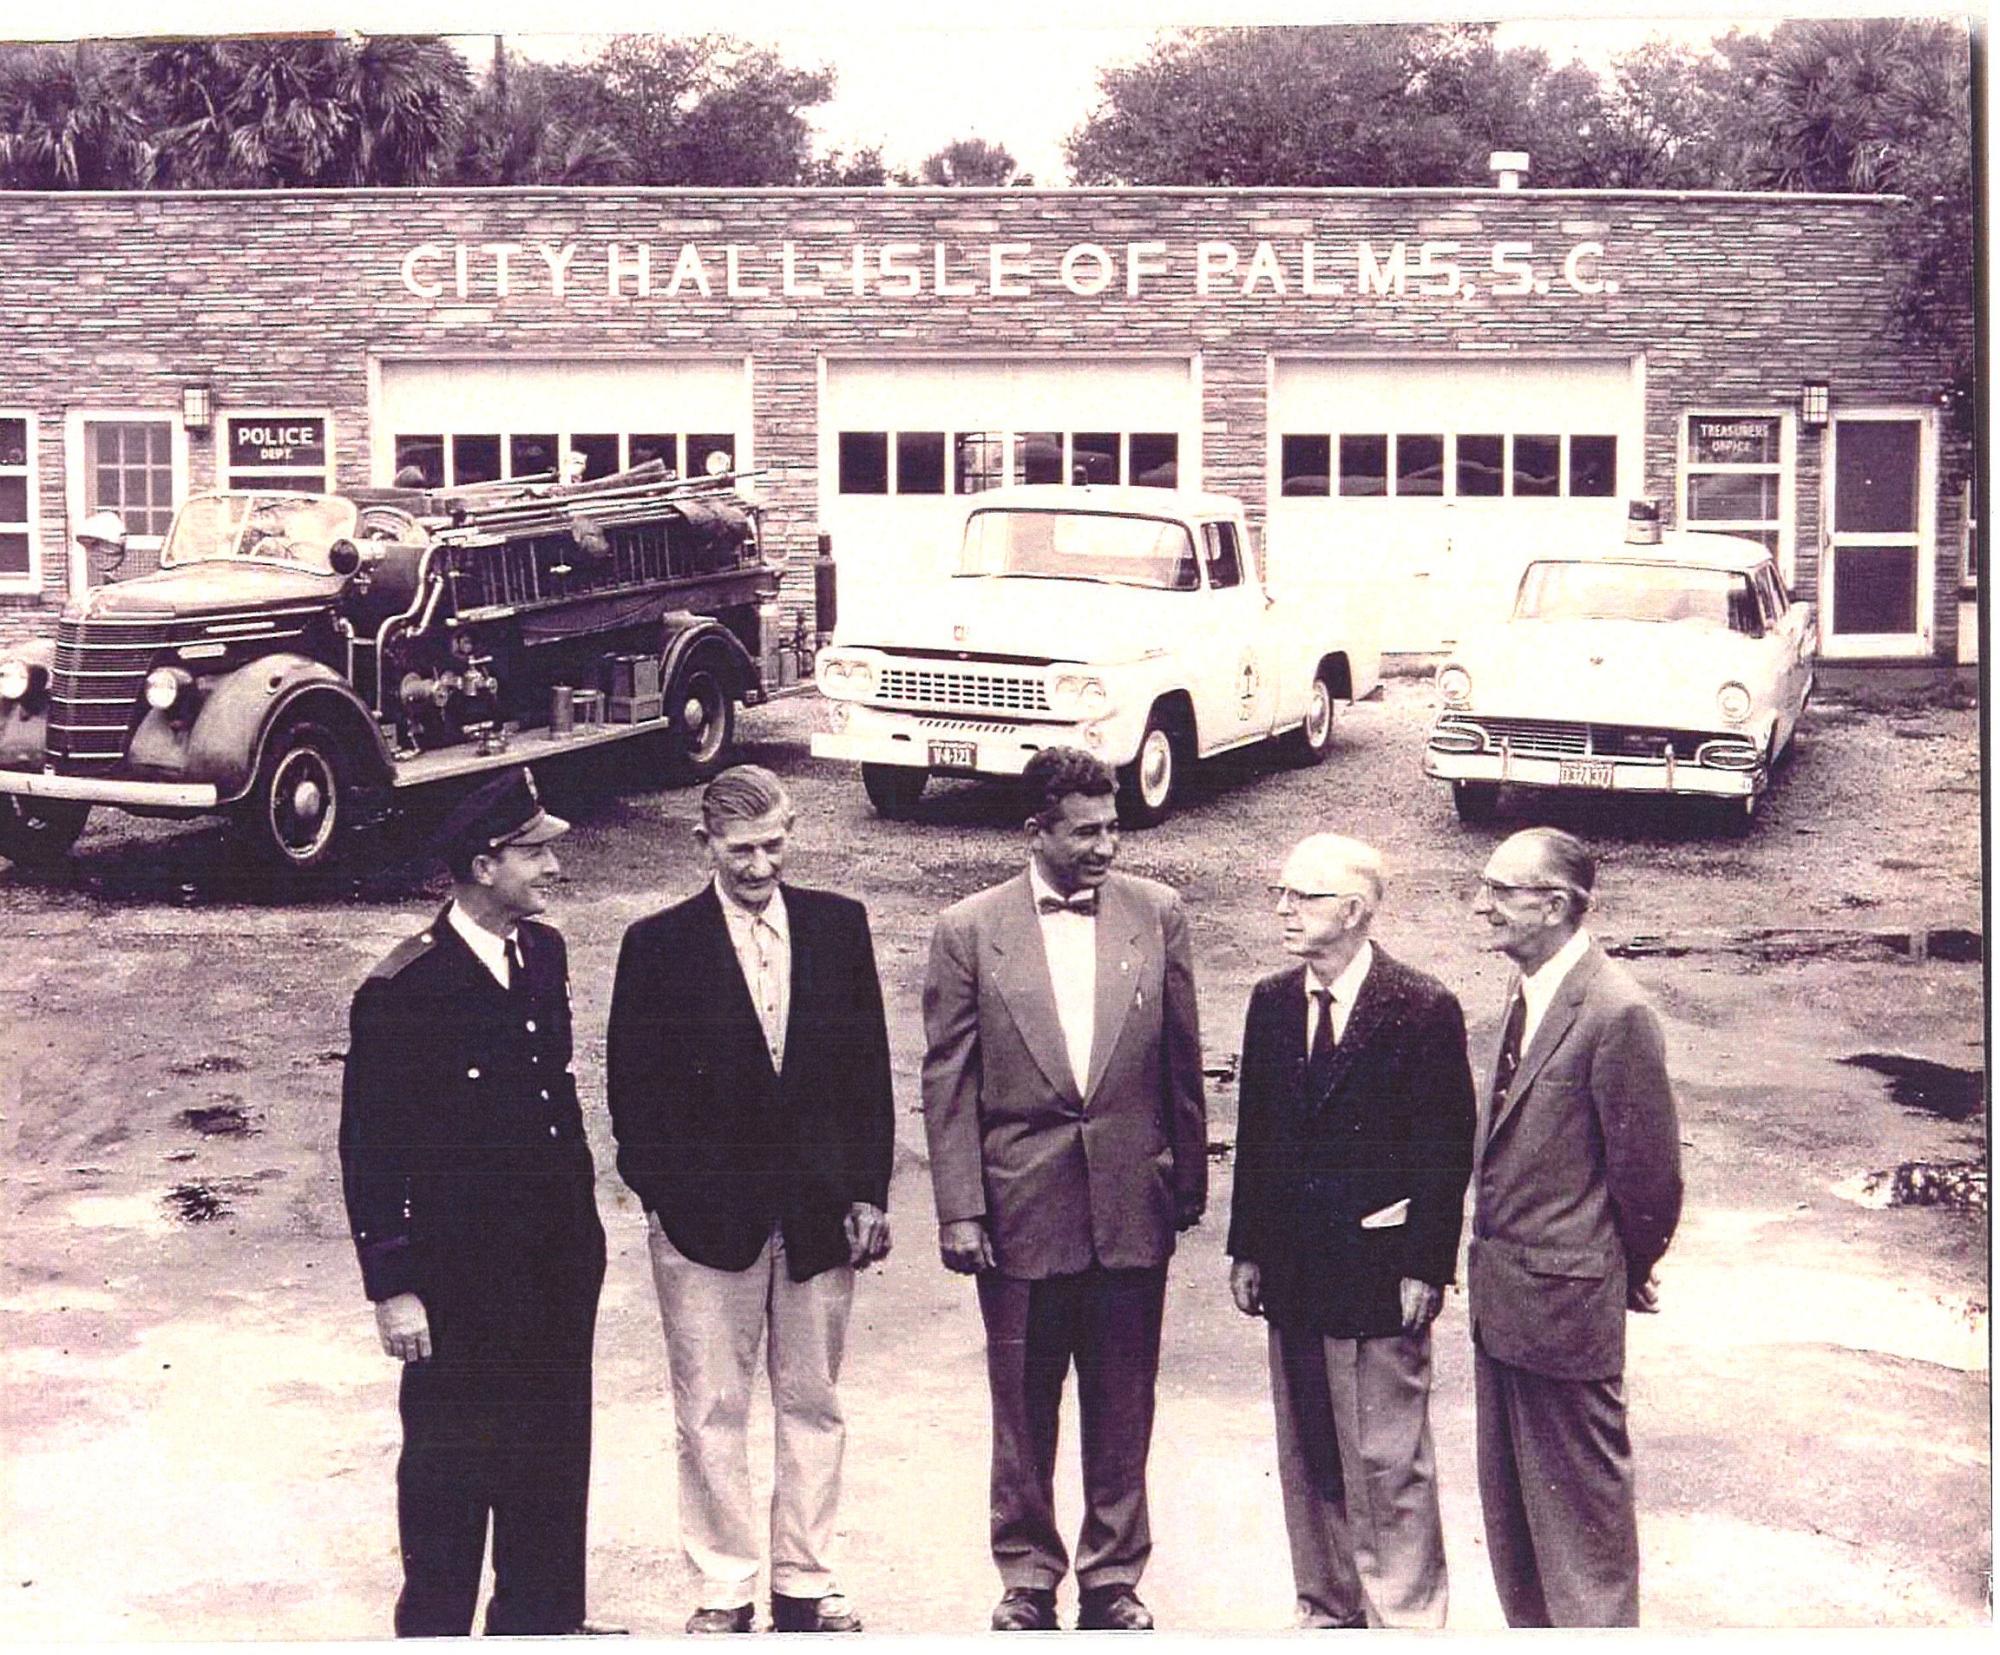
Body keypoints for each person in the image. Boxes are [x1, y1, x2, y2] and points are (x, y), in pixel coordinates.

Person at [920, 746, 1206, 1633]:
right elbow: (949, 1081)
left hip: (1131, 1206)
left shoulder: (1158, 915)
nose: (1105, 847)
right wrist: (961, 1207)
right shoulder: (967, 929)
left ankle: (1114, 1575)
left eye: (1112, 827)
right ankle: (1028, 1574)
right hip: (1017, 1213)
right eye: (1084, 831)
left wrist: (1183, 1183)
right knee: (1023, 1400)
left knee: (1124, 1402)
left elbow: (1182, 1065)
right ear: (1035, 829)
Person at [606, 765, 894, 1635]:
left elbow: (868, 1074)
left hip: (817, 1216)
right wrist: (670, 1202)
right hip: (703, 1225)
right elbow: (633, 1096)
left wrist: (867, 1192)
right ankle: (725, 1586)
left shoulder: (840, 927)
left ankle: (805, 1581)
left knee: (813, 1399)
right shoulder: (656, 945)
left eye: (774, 844)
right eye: (741, 850)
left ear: (792, 831)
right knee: (710, 1405)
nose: (760, 865)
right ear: (705, 845)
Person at [338, 766, 613, 1637]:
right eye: (537, 853)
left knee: (550, 1471)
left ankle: (542, 1627)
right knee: (450, 1485)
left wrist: (585, 1233)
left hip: (554, 1272)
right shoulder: (403, 990)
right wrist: (394, 1284)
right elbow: (370, 1146)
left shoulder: (544, 953)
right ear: (485, 864)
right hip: (458, 1287)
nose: (554, 869)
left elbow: (553, 1098)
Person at [1227, 834, 1475, 1630]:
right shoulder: (1270, 1001)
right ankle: (1327, 1605)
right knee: (1310, 1452)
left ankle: (1404, 1618)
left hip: (1376, 1271)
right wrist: (1247, 1246)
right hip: (1293, 1273)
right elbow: (1257, 1130)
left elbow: (1446, 1145)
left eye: (1302, 896)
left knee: (1386, 1459)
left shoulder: (1421, 1006)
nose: (1283, 909)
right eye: (1282, 892)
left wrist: (1425, 1266)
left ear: (1355, 910)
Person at [1467, 827, 1684, 1627]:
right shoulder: (1531, 992)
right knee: (1518, 1530)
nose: (1480, 904)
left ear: (1555, 904)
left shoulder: (1616, 1010)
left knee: (1584, 1542)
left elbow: (1649, 1176)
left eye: (1500, 890)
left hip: (1564, 1311)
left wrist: (1618, 1263)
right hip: (1508, 1308)